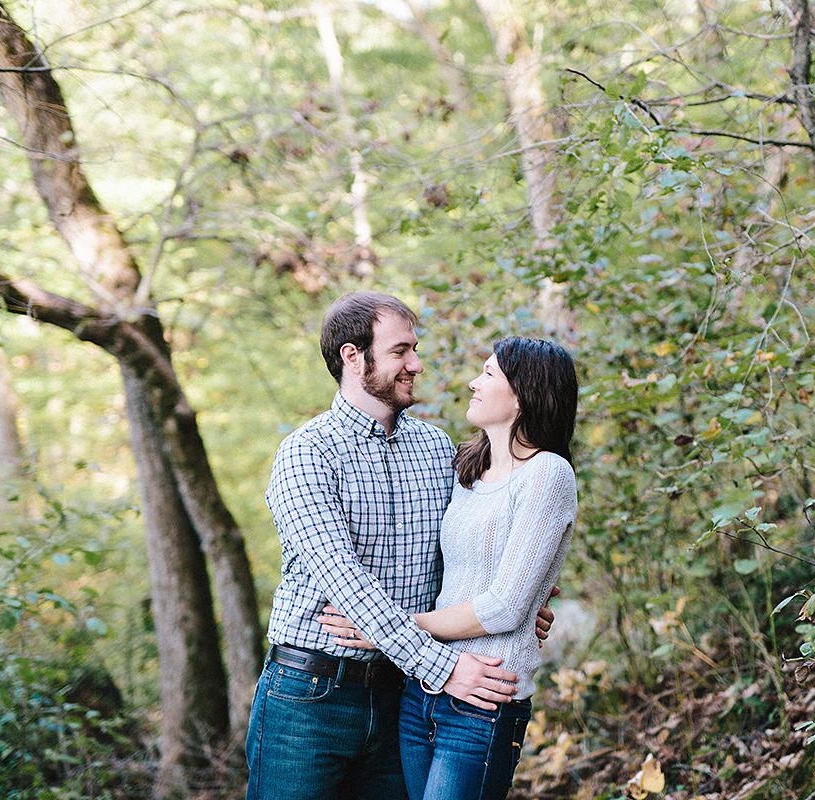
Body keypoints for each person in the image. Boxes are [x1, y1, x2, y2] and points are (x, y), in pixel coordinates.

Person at [245, 292, 553, 800]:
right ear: (352, 356)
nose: (417, 363)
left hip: (403, 697)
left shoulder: (437, 449)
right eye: (400, 351)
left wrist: (524, 603)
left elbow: (476, 546)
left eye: (415, 349)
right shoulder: (306, 453)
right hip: (310, 698)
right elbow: (345, 582)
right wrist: (445, 667)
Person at [319, 336, 579, 800]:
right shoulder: (467, 469)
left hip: (486, 695)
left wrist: (387, 629)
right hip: (423, 691)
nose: (473, 383)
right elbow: (454, 573)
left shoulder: (548, 474)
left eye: (488, 374)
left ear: (523, 393)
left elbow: (501, 608)